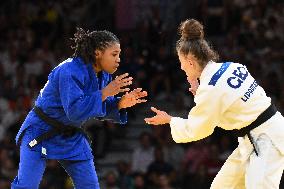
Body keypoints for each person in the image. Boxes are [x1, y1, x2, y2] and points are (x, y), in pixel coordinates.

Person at [145, 19, 284, 189]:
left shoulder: (210, 89)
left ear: (190, 62)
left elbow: (198, 129)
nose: (181, 68)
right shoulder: (231, 66)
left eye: (181, 63)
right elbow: (224, 110)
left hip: (268, 138)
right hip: (256, 135)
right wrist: (200, 94)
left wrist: (170, 120)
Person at [11, 28, 148, 189]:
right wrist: (105, 92)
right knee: (26, 186)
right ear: (98, 53)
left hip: (70, 133)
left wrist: (120, 104)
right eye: (114, 54)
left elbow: (99, 108)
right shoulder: (69, 70)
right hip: (40, 131)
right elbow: (75, 112)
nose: (118, 59)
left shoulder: (103, 75)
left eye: (119, 54)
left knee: (89, 186)